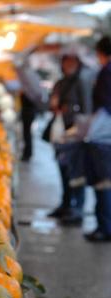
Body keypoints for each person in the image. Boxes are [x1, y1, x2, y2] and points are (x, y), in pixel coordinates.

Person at [48, 52, 95, 225]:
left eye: (72, 61)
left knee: (76, 173)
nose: (68, 64)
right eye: (66, 61)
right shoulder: (60, 83)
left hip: (75, 134)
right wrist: (54, 107)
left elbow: (86, 109)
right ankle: (66, 204)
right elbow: (50, 102)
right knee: (63, 169)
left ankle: (78, 209)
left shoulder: (81, 82)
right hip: (60, 132)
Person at [84, 36, 111, 241]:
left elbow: (102, 102)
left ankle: (105, 227)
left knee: (103, 182)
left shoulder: (106, 72)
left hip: (104, 137)